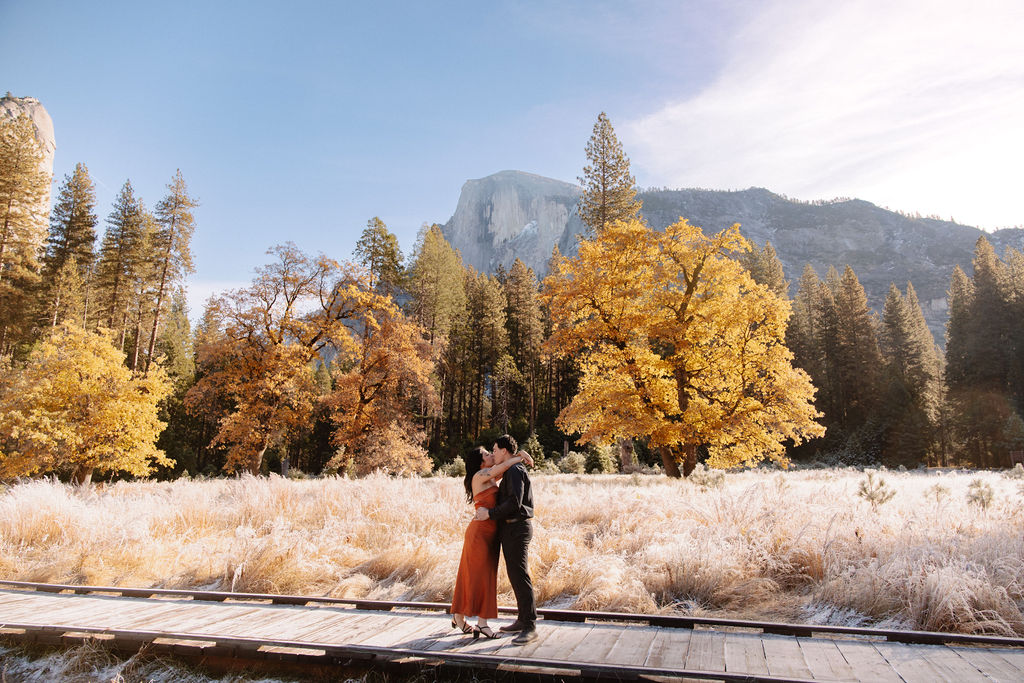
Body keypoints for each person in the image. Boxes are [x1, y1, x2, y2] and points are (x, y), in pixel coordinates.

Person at [450, 445, 533, 639]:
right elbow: (500, 468)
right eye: (487, 454)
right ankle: (481, 623)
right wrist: (521, 456)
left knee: (480, 576)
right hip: (479, 533)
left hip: (491, 533)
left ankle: (461, 616)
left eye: (492, 451)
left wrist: (520, 455)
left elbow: (504, 470)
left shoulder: (490, 477)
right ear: (480, 462)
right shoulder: (480, 476)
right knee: (479, 576)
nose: (491, 455)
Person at [475, 434, 538, 644]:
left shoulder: (514, 471)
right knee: (515, 575)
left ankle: (530, 626)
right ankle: (522, 619)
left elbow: (515, 503)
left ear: (504, 451)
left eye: (494, 449)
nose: (493, 453)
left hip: (517, 528)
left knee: (520, 576)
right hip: (511, 529)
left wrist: (490, 514)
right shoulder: (510, 469)